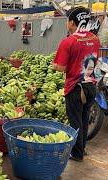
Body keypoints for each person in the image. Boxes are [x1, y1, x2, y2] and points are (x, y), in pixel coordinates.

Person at [53, 7, 100, 162]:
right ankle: (82, 149)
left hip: (75, 88)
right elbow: (94, 60)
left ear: (72, 22)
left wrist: (54, 65)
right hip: (91, 86)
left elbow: (61, 68)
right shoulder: (95, 38)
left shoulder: (68, 41)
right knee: (84, 119)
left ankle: (77, 154)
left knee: (75, 121)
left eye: (68, 21)